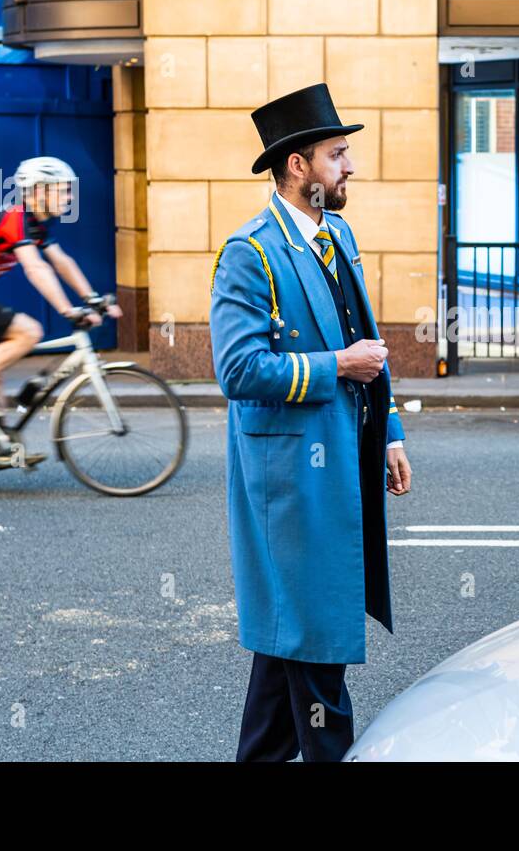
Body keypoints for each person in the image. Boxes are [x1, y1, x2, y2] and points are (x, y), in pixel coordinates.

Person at [209, 82, 413, 762]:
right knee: (317, 655)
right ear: (298, 165)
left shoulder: (338, 233)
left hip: (341, 468)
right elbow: (237, 371)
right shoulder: (251, 252)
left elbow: (367, 337)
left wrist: (389, 434)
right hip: (292, 488)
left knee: (286, 651)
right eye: (338, 152)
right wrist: (335, 367)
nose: (350, 165)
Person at [0, 156, 122, 418]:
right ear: (38, 191)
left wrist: (91, 298)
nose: (69, 197)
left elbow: (61, 261)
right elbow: (35, 268)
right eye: (63, 190)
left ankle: (3, 447)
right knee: (30, 332)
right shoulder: (15, 218)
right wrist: (68, 310)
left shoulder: (34, 223)